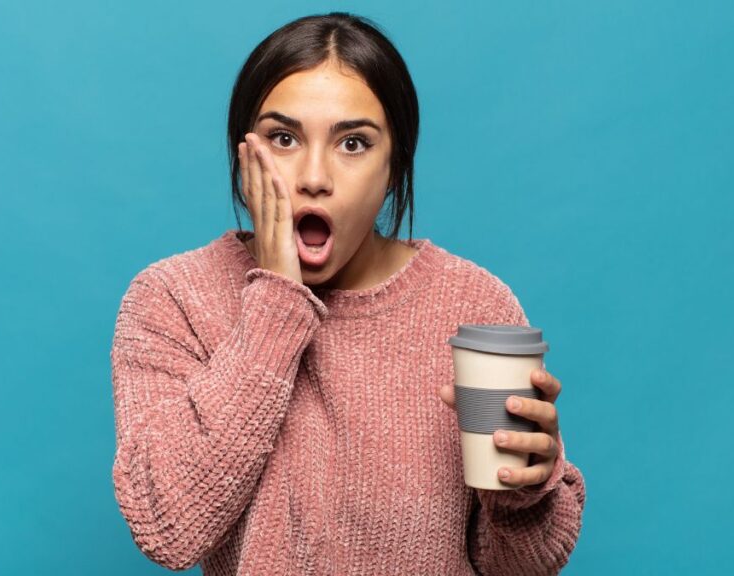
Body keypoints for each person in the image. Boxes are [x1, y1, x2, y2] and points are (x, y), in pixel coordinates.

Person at [110, 11, 585, 575]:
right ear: (243, 159)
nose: (314, 175)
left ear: (394, 166)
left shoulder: (473, 306)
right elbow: (168, 527)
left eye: (353, 143)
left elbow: (521, 567)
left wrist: (522, 494)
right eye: (283, 138)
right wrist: (278, 300)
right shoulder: (174, 298)